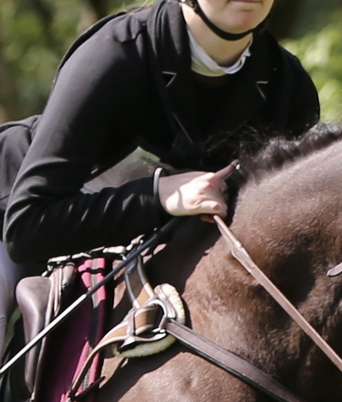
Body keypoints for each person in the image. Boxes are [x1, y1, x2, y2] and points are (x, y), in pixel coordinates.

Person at [0, 0, 319, 363]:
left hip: (141, 251)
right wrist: (156, 196)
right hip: (16, 223)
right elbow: (28, 227)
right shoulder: (116, 54)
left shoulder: (288, 88)